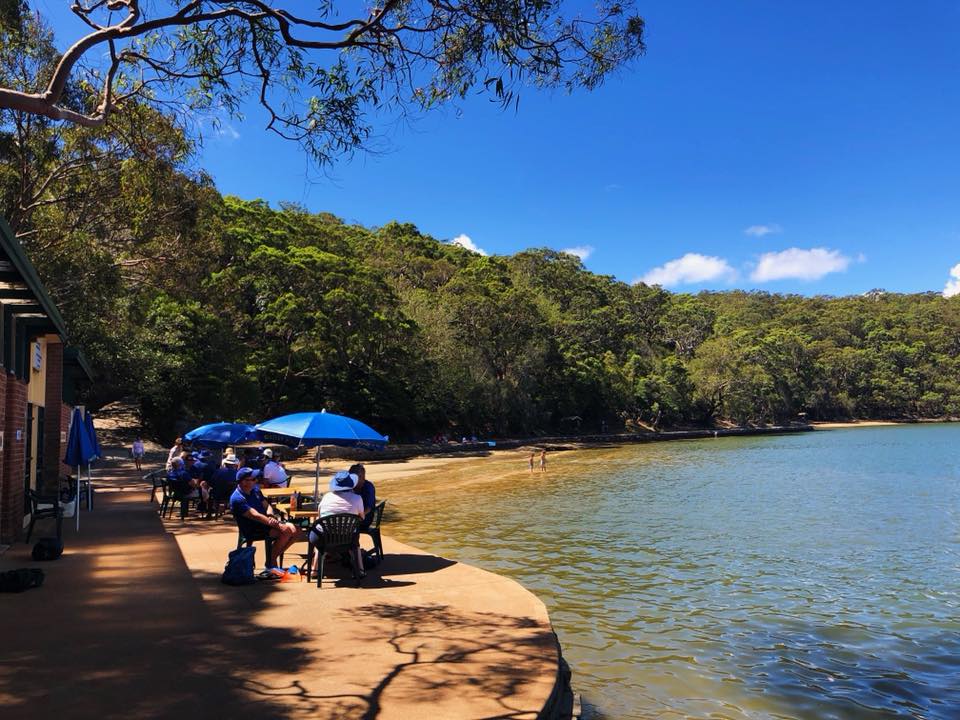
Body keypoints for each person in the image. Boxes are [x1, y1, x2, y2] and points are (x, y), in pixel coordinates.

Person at [230, 466, 301, 573]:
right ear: (243, 482)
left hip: (265, 523)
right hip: (252, 528)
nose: (256, 481)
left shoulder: (255, 490)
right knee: (286, 531)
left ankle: (272, 558)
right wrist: (276, 525)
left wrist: (271, 515)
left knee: (297, 531)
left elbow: (267, 506)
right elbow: (255, 515)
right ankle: (270, 563)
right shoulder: (237, 499)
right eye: (253, 479)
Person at [309, 470, 366, 577]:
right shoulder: (357, 498)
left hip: (324, 538)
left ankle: (314, 570)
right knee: (355, 543)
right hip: (348, 539)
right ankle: (360, 570)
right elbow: (362, 517)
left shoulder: (326, 497)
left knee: (319, 536)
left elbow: (319, 517)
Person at [350, 463, 376, 531]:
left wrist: (357, 518)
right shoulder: (349, 486)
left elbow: (368, 508)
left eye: (363, 477)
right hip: (351, 517)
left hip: (365, 519)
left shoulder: (368, 487)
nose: (363, 479)